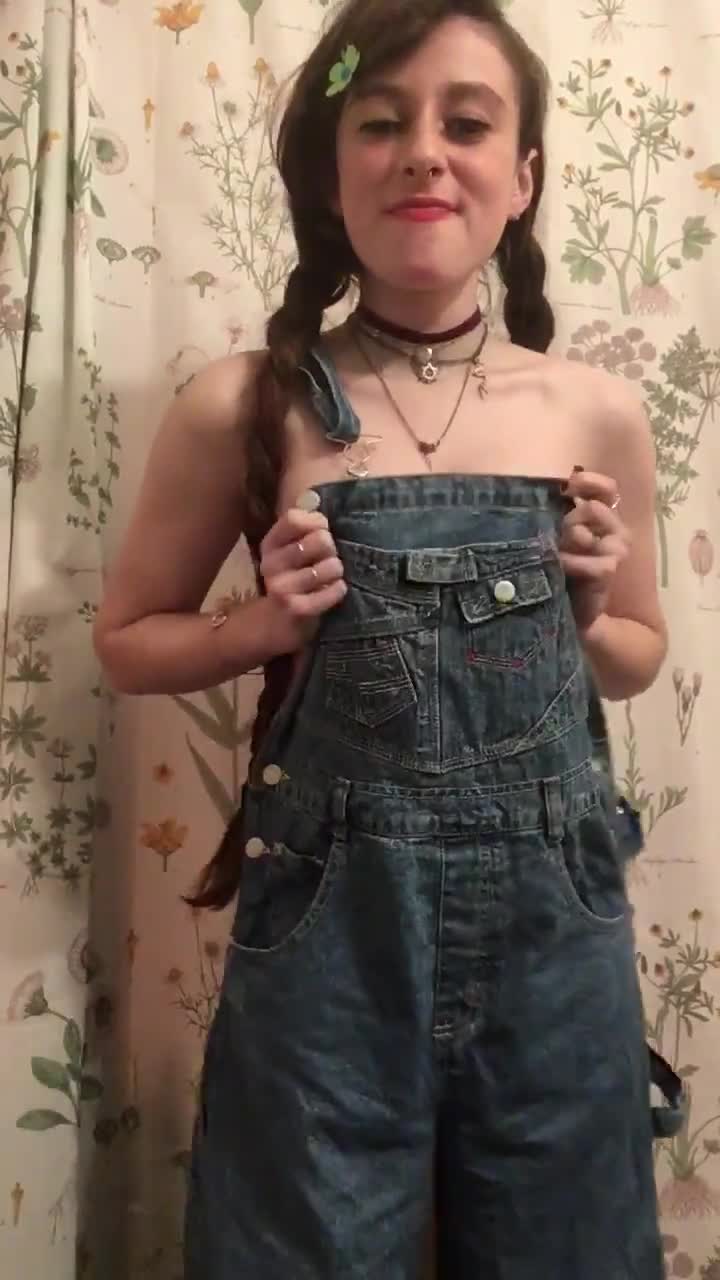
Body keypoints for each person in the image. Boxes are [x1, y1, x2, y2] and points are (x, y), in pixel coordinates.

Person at [94, 0, 685, 1275]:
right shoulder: (240, 403)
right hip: (327, 930)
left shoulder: (597, 408)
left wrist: (588, 612)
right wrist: (262, 622)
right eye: (380, 122)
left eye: (467, 123)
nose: (424, 151)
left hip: (557, 929)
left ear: (522, 178)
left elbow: (640, 649)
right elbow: (128, 641)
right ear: (329, 171)